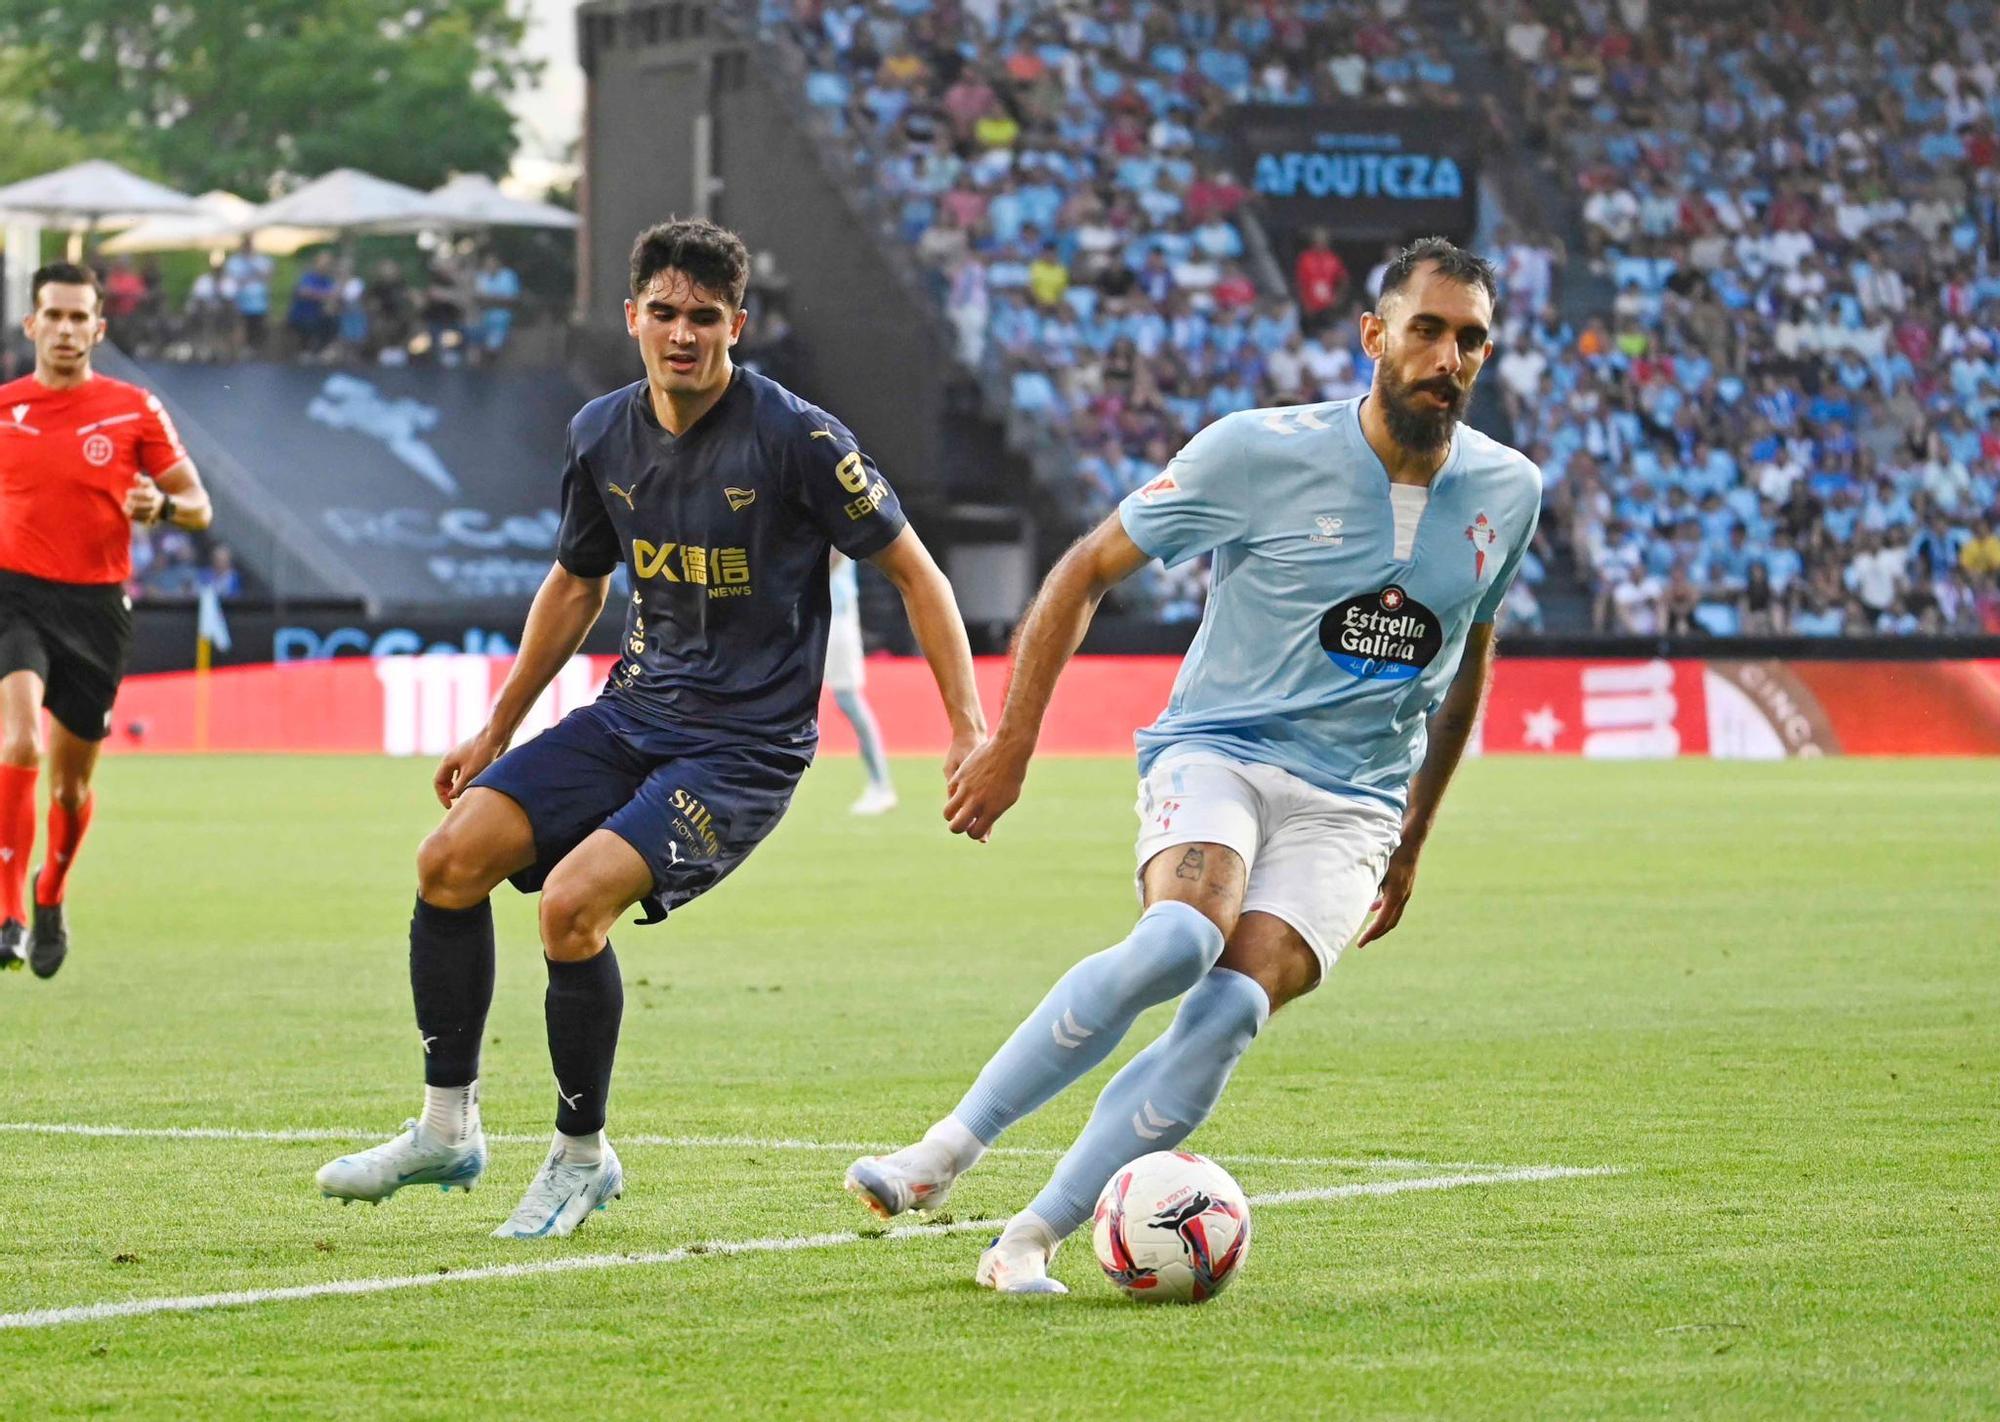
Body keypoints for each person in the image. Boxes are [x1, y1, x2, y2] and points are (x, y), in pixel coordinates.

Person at [844, 237, 1541, 1293]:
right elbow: (1085, 569)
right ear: (1373, 336)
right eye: (1427, 330)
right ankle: (941, 1152)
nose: (1448, 358)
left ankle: (1030, 1238)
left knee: (1229, 1010)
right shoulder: (1253, 452)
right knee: (1178, 941)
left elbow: (1467, 655)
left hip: (1354, 804)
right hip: (1223, 749)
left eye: (1471, 339)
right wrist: (1012, 743)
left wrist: (1412, 837)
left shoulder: (1509, 490)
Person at [314, 219, 985, 1237]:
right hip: (632, 713)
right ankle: (446, 1129)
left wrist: (968, 728)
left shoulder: (800, 439)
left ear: (736, 327)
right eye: (664, 313)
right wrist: (495, 728)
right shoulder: (600, 432)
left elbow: (916, 573)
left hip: (744, 749)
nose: (682, 334)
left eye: (704, 318)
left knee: (569, 907)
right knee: (448, 861)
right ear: (631, 317)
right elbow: (575, 584)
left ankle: (581, 1156)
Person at [0, 263, 215, 977]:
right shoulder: (5, 408)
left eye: (78, 317)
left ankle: (51, 890)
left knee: (70, 788)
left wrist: (164, 506)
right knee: (20, 741)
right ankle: (8, 912)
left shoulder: (133, 409)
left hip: (95, 608)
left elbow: (199, 507)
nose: (65, 329)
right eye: (53, 316)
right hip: (14, 596)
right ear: (31, 324)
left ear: (99, 327)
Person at [826, 550, 896, 814]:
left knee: (848, 700)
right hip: (815, 612)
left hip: (837, 613)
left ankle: (881, 784)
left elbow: (836, 555)